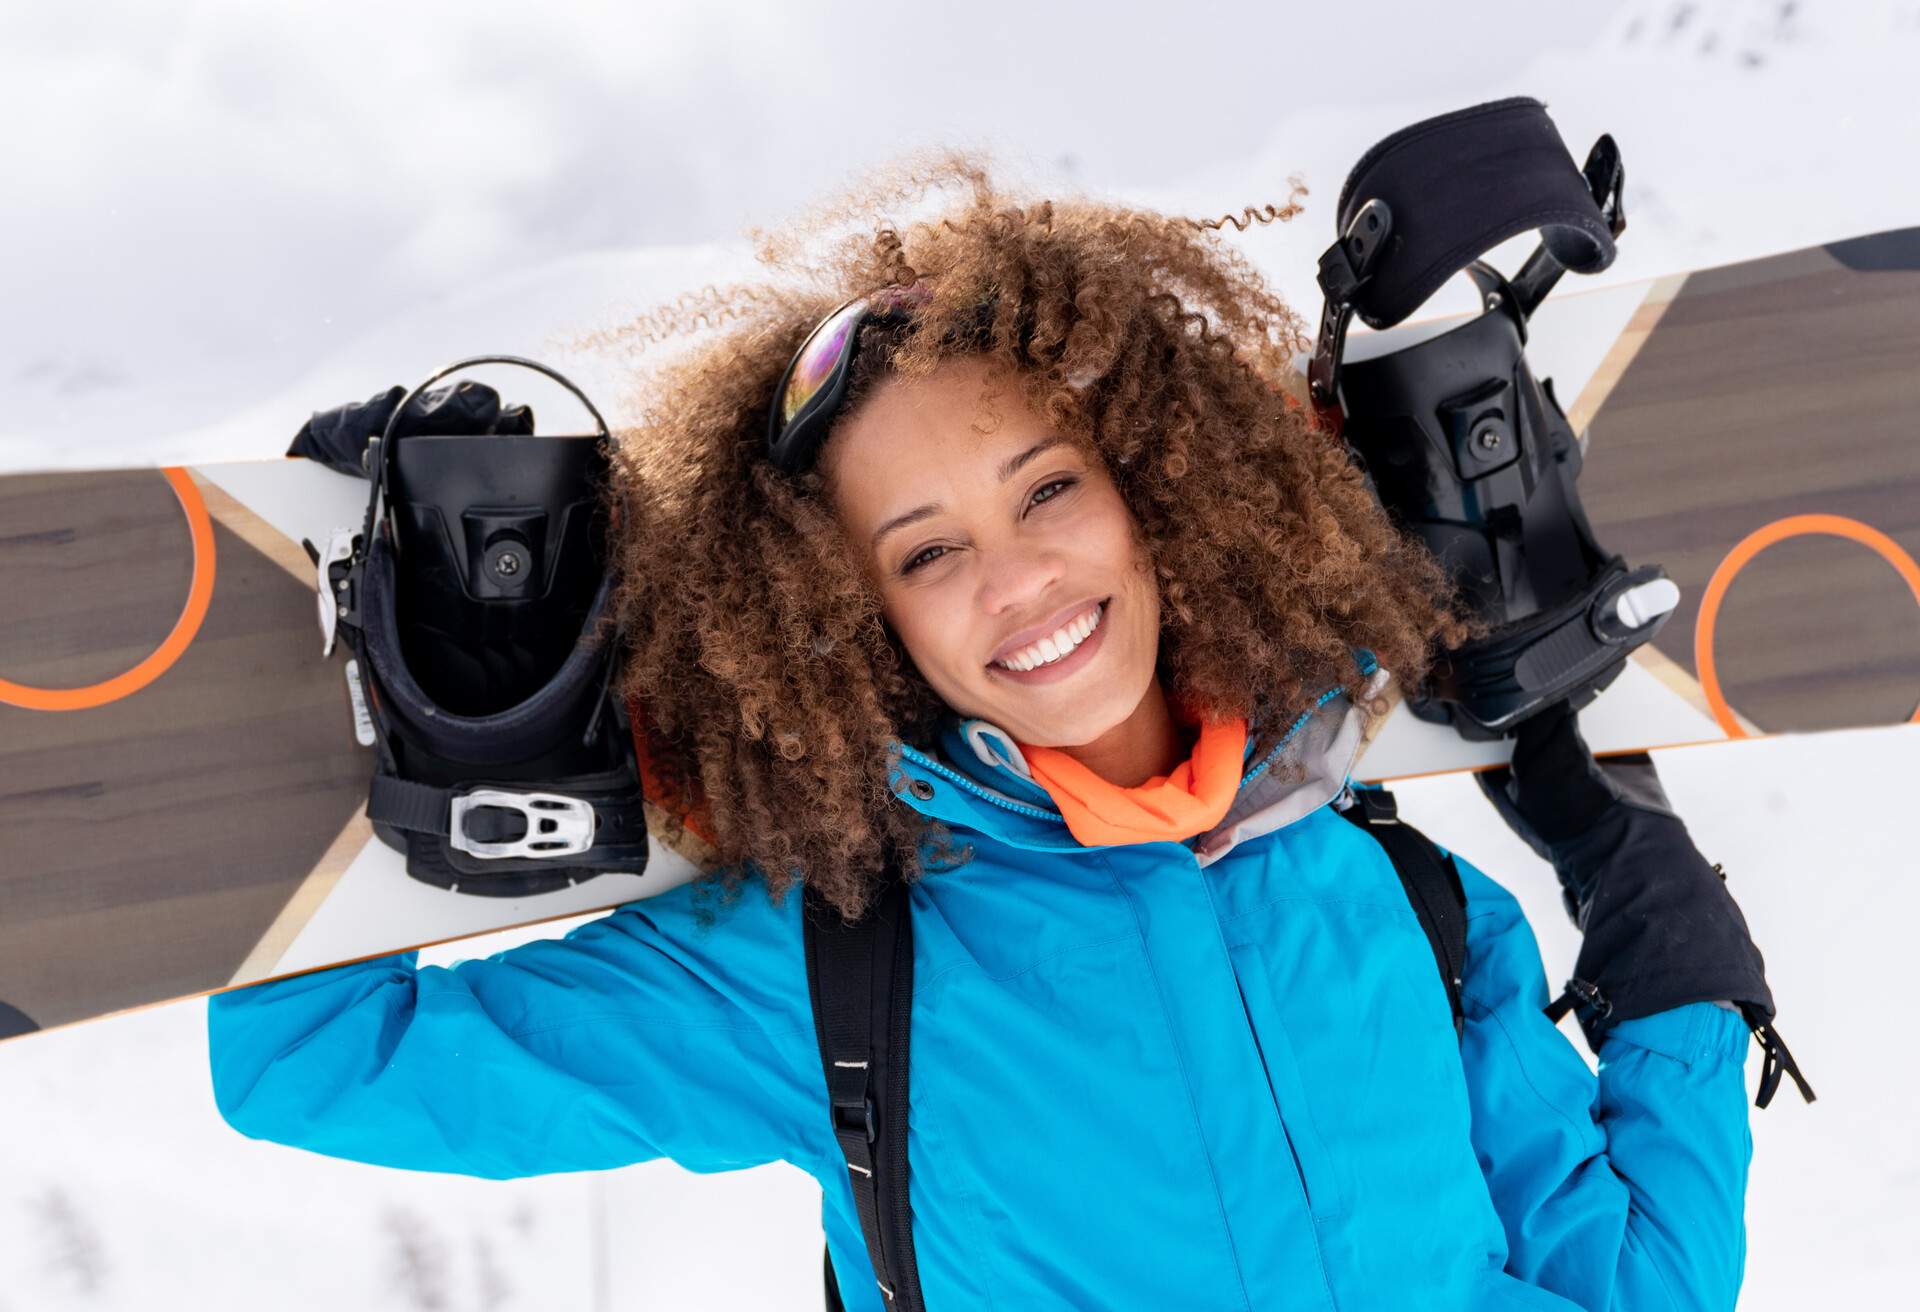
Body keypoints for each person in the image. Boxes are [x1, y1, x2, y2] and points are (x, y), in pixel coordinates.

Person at [209, 156, 1776, 1310]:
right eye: (925, 551)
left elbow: (1634, 1287)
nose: (1018, 579)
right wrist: (397, 695)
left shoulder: (1412, 910)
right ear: (853, 618)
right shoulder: (823, 966)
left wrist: (1668, 944)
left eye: (1047, 488)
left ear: (1157, 498)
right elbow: (322, 1064)